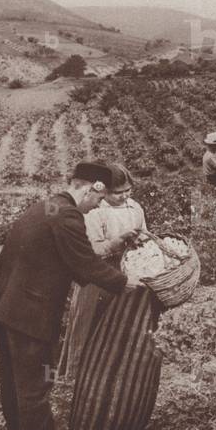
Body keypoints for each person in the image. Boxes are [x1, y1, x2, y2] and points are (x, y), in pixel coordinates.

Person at [0, 162, 138, 430]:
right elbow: (84, 265)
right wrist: (124, 282)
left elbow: (66, 252)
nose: (97, 207)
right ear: (93, 188)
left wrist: (113, 244)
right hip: (28, 309)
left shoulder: (48, 206)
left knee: (13, 374)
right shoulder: (68, 215)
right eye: (99, 199)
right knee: (37, 380)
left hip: (3, 303)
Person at [59, 163, 147, 380]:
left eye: (128, 191)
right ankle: (81, 373)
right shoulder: (96, 212)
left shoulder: (134, 207)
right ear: (105, 192)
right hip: (99, 275)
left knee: (122, 322)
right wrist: (116, 243)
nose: (125, 196)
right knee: (91, 321)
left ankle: (116, 370)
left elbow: (145, 233)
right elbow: (91, 250)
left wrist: (140, 241)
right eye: (118, 193)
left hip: (128, 271)